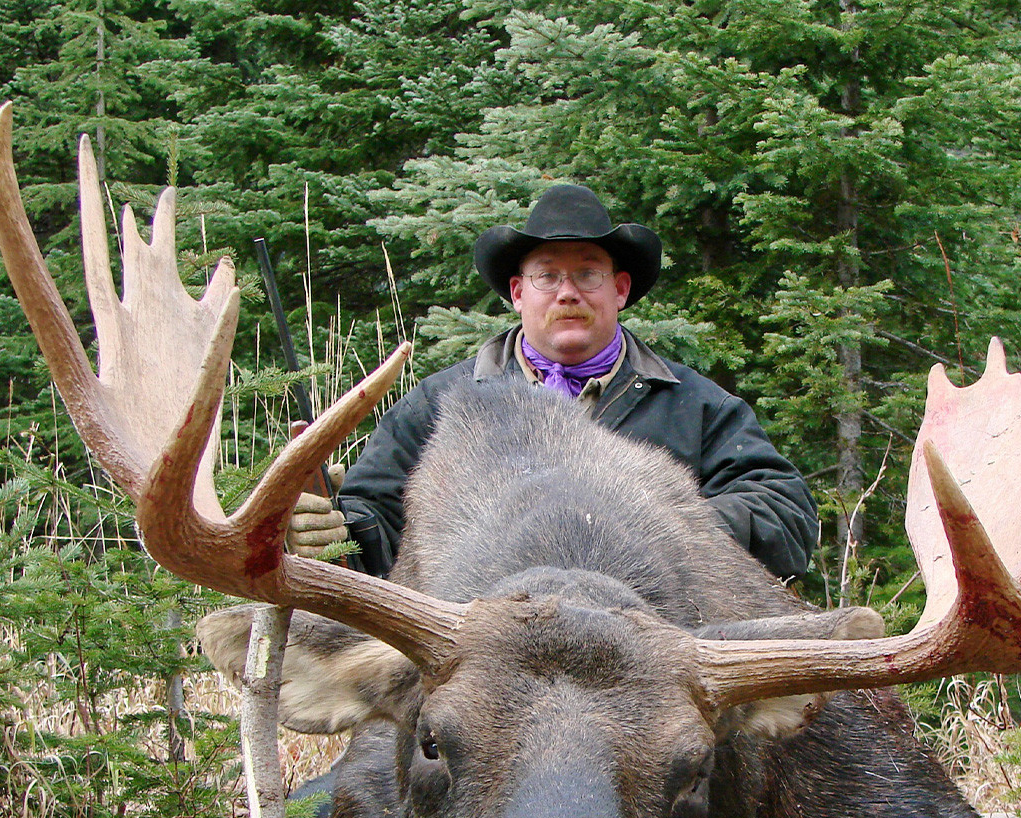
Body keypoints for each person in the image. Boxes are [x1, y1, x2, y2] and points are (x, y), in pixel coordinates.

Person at [288, 184, 819, 582]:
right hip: (481, 682)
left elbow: (786, 513)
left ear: (620, 289)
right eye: (547, 275)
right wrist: (333, 532)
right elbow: (373, 525)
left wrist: (667, 528)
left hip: (649, 673)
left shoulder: (694, 405)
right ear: (519, 292)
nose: (567, 293)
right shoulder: (445, 406)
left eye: (588, 274)